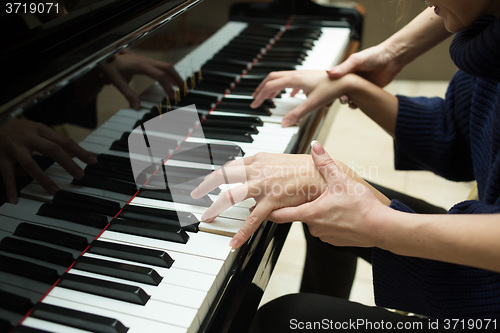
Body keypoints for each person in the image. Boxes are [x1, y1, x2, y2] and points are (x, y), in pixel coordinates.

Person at [190, 0, 500, 328]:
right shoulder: (487, 37)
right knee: (318, 200)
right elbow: (457, 139)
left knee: (283, 320)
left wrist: (377, 223)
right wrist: (354, 84)